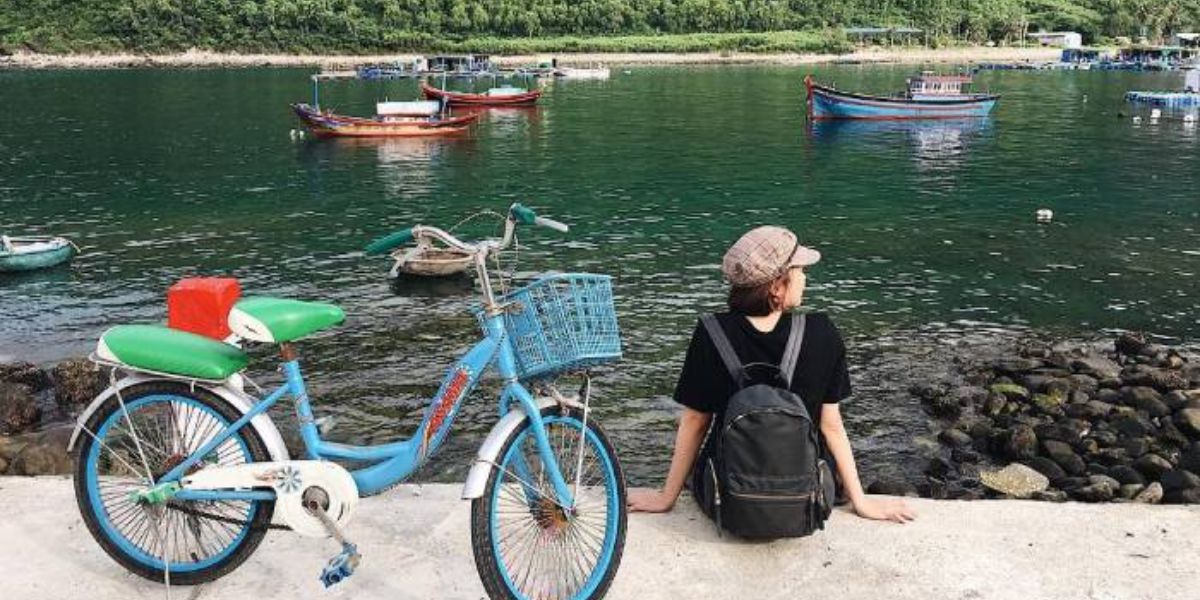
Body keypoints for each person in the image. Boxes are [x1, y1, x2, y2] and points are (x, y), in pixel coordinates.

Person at [628, 226, 916, 524]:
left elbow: (695, 422)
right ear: (777, 287)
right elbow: (831, 426)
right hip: (805, 495)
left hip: (728, 494)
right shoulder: (821, 332)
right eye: (799, 271)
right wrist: (861, 501)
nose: (805, 278)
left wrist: (666, 498)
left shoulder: (711, 332)